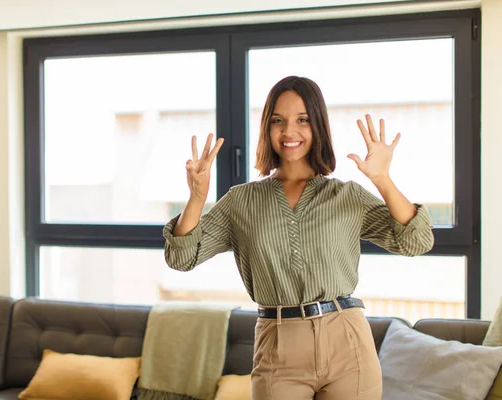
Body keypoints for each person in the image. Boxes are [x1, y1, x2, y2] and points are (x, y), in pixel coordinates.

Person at [162, 76, 434, 399]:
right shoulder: (241, 202)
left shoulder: (345, 196)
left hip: (347, 343)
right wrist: (196, 197)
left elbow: (417, 240)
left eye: (302, 120)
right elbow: (181, 256)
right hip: (278, 348)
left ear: (317, 126)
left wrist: (382, 179)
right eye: (278, 121)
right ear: (267, 128)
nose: (289, 132)